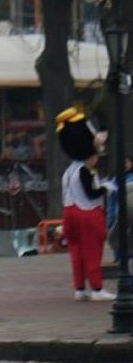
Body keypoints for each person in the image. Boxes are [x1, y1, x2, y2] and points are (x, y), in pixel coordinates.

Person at [57, 108, 114, 300]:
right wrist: (106, 188)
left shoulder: (68, 171)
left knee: (76, 254)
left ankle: (80, 288)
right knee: (92, 251)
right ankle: (97, 288)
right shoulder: (85, 171)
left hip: (69, 212)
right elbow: (91, 194)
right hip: (87, 213)